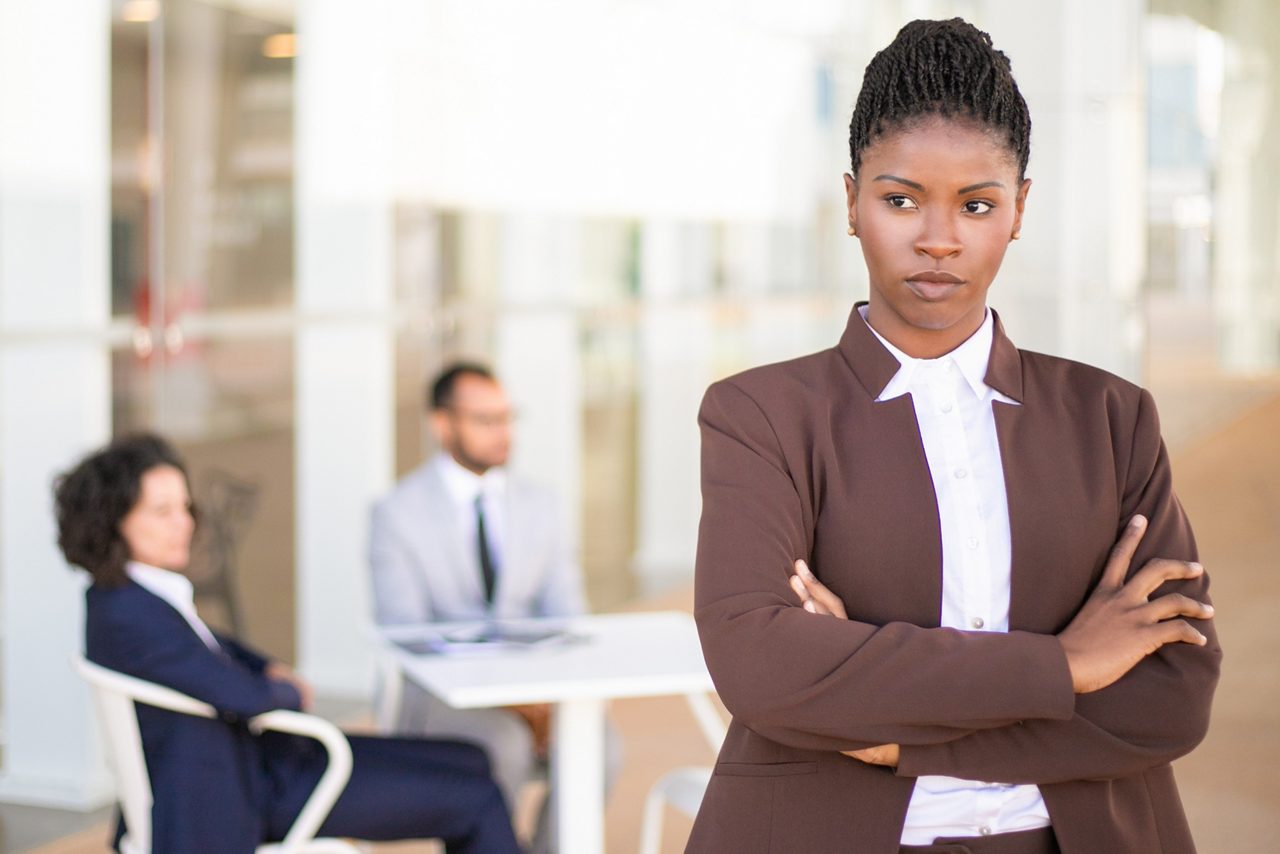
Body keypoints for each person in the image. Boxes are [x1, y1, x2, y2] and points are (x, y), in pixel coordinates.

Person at [690, 18, 1220, 854]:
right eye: (900, 199)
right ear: (852, 203)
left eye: (977, 204)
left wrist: (902, 738)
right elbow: (759, 667)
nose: (939, 239)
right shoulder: (762, 415)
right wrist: (1067, 668)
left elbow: (1172, 693)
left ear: (1019, 211)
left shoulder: (1112, 418)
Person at [56, 434, 522, 854]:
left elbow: (214, 650)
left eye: (185, 507)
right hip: (245, 794)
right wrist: (288, 691)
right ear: (112, 522)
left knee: (472, 758)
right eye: (163, 512)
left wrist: (269, 667)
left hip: (262, 763)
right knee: (476, 797)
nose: (185, 524)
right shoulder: (130, 615)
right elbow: (245, 696)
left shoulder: (128, 596)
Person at [369, 361, 613, 852]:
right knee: (503, 744)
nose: (503, 432)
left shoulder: (542, 506)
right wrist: (515, 699)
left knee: (602, 747)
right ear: (443, 424)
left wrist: (544, 696)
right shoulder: (397, 513)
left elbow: (568, 616)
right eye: (486, 420)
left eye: (507, 417)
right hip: (438, 696)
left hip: (537, 690)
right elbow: (410, 635)